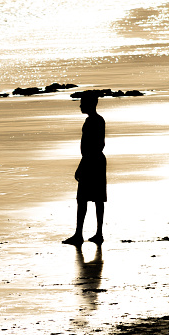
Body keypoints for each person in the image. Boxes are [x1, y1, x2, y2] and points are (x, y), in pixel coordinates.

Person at [63, 95, 106, 246]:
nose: (80, 106)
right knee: (96, 199)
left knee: (84, 199)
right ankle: (95, 233)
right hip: (96, 161)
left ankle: (81, 234)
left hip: (92, 161)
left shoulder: (94, 121)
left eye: (82, 104)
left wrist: (82, 164)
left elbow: (96, 145)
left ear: (90, 104)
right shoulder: (96, 120)